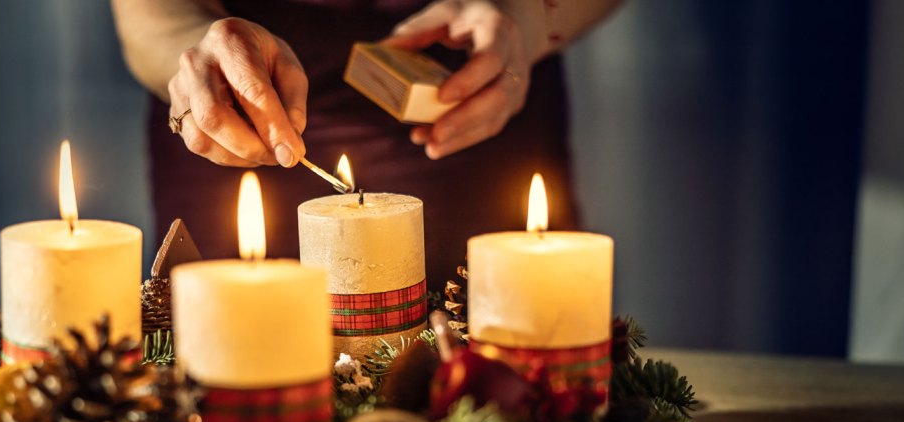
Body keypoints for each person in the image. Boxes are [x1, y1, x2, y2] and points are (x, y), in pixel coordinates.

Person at [111, 0, 622, 288]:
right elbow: (151, 17)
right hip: (233, 121)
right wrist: (197, 61)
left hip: (480, 107)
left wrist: (530, 20)